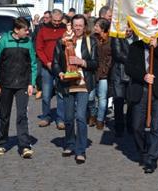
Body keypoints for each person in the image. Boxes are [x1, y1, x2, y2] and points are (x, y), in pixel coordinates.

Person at [126, 34, 158, 174]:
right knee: (136, 126)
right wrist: (143, 76)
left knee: (156, 126)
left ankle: (152, 159)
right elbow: (128, 68)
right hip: (140, 90)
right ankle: (144, 151)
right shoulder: (135, 46)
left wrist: (157, 48)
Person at [52, 14, 97, 164]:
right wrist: (59, 73)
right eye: (75, 25)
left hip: (83, 83)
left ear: (85, 27)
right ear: (71, 25)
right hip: (67, 82)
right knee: (69, 118)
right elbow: (56, 62)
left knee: (80, 117)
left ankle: (81, 150)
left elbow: (95, 63)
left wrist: (81, 62)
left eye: (80, 25)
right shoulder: (62, 41)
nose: (78, 28)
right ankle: (70, 143)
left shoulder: (91, 41)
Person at [0, 17, 37, 158]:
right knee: (4, 115)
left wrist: (31, 83)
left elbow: (33, 64)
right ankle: (1, 143)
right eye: (25, 30)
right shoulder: (4, 41)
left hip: (22, 84)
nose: (28, 32)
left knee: (22, 115)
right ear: (17, 30)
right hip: (5, 84)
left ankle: (24, 146)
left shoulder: (28, 43)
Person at [35, 9, 68, 129]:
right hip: (46, 66)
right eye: (54, 20)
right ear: (50, 18)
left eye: (59, 21)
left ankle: (61, 118)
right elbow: (39, 48)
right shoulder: (43, 30)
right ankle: (46, 116)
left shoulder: (65, 30)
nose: (57, 23)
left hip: (61, 67)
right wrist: (47, 62)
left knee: (61, 94)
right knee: (46, 94)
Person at [110, 27, 135, 138]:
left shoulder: (137, 38)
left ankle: (130, 124)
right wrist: (135, 60)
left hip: (132, 74)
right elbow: (118, 54)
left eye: (130, 30)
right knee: (119, 101)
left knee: (131, 101)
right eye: (126, 29)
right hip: (119, 73)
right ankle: (119, 127)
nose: (128, 32)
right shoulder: (116, 37)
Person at [89, 17, 112, 130]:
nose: (94, 28)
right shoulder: (92, 38)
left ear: (103, 28)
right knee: (91, 97)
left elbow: (112, 56)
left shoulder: (111, 40)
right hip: (93, 71)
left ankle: (100, 119)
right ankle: (92, 114)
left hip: (105, 73)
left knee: (102, 98)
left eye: (97, 26)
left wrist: (107, 69)